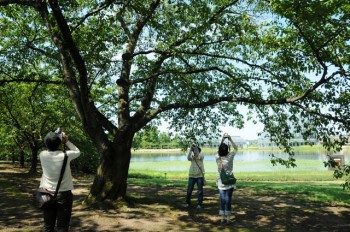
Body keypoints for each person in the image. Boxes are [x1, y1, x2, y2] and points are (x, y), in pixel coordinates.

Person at [39, 129, 80, 232]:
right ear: (59, 143)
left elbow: (50, 145)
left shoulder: (42, 155)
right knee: (62, 227)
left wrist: (56, 138)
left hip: (46, 194)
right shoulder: (66, 155)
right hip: (64, 195)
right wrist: (66, 141)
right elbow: (77, 151)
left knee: (48, 227)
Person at [215, 133, 238, 223]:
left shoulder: (217, 157)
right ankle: (228, 219)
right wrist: (230, 139)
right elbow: (236, 148)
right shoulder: (230, 156)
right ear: (227, 150)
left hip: (221, 182)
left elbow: (219, 150)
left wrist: (222, 139)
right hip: (229, 182)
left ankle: (222, 218)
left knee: (222, 199)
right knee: (228, 200)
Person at [185, 143, 205, 209]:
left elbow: (198, 157)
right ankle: (187, 203)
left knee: (200, 191)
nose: (195, 152)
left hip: (199, 176)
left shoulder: (201, 156)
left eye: (196, 151)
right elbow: (188, 158)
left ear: (198, 151)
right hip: (192, 176)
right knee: (189, 190)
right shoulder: (192, 157)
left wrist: (195, 147)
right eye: (194, 151)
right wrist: (190, 150)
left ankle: (199, 204)